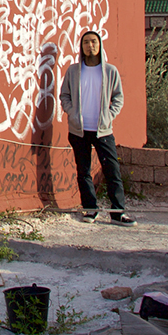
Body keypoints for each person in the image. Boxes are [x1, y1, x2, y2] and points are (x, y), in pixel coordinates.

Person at [60, 29, 134, 224]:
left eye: (93, 42)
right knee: (83, 171)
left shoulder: (110, 71)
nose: (90, 45)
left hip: (103, 130)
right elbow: (64, 95)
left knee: (112, 170)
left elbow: (118, 97)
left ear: (99, 45)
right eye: (86, 42)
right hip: (79, 130)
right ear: (81, 47)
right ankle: (90, 210)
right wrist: (72, 113)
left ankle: (118, 212)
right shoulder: (73, 71)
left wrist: (109, 116)